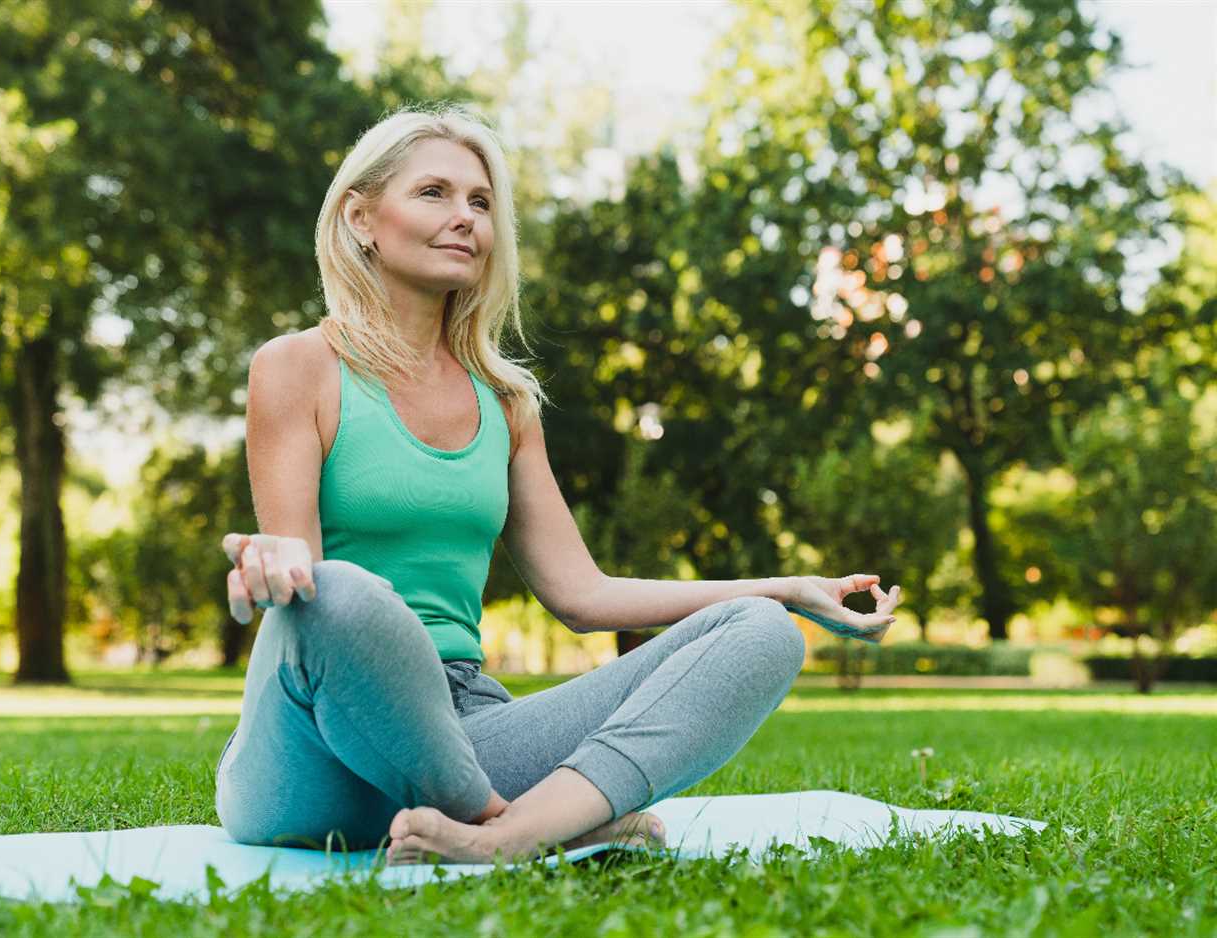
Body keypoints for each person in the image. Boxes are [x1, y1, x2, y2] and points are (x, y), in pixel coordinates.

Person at [212, 103, 902, 866]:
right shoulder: (298, 365)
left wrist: (787, 588)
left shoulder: (505, 400)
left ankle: (502, 838)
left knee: (760, 630)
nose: (465, 218)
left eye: (481, 203)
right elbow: (303, 588)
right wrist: (273, 563)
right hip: (315, 752)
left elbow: (583, 595)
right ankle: (530, 824)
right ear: (362, 217)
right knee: (340, 591)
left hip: (468, 725)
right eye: (434, 193)